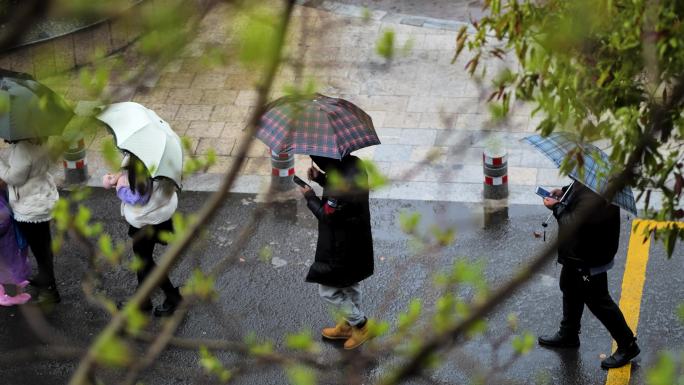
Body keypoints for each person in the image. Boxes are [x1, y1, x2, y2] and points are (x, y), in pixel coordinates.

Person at [538, 182, 640, 369]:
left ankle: (628, 345)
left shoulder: (594, 197)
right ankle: (568, 333)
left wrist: (556, 207)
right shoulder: (592, 183)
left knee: (597, 300)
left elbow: (572, 222)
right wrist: (564, 191)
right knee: (569, 286)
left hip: (588, 257)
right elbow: (580, 191)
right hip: (577, 254)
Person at [298, 154, 374, 350]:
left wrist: (310, 197)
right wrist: (320, 178)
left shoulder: (341, 188)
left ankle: (360, 324)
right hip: (357, 241)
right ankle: (349, 325)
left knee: (328, 291)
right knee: (350, 282)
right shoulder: (353, 163)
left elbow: (327, 215)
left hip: (341, 245)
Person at [103, 153, 182, 316]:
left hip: (147, 220)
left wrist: (120, 187)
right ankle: (143, 300)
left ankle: (173, 296)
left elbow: (139, 198)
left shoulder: (141, 163)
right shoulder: (155, 156)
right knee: (142, 258)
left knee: (145, 261)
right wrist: (120, 175)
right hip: (157, 213)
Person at [0, 138, 60, 305]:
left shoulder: (23, 148)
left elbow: (13, 178)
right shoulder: (42, 141)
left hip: (30, 207)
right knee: (44, 245)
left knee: (40, 249)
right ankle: (46, 280)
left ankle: (49, 291)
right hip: (42, 199)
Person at [0, 184, 31, 306]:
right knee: (8, 269)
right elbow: (2, 222)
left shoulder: (2, 192)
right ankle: (11, 296)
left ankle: (13, 285)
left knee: (10, 266)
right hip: (4, 243)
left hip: (7, 240)